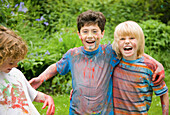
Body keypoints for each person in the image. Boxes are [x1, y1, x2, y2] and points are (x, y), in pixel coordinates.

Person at [29, 10, 165, 114]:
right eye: (85, 31)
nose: (90, 36)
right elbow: (57, 67)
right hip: (77, 111)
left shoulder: (109, 52)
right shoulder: (73, 54)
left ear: (102, 34)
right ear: (79, 34)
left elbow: (131, 49)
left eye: (95, 31)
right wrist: (41, 78)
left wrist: (157, 64)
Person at [112, 21, 169, 115]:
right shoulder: (113, 61)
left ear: (139, 41)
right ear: (117, 43)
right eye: (122, 39)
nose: (127, 41)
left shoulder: (149, 68)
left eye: (132, 38)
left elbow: (163, 93)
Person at [0, 26, 55, 115]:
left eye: (17, 62)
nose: (15, 65)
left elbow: (32, 94)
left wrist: (46, 98)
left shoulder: (15, 73)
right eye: (11, 63)